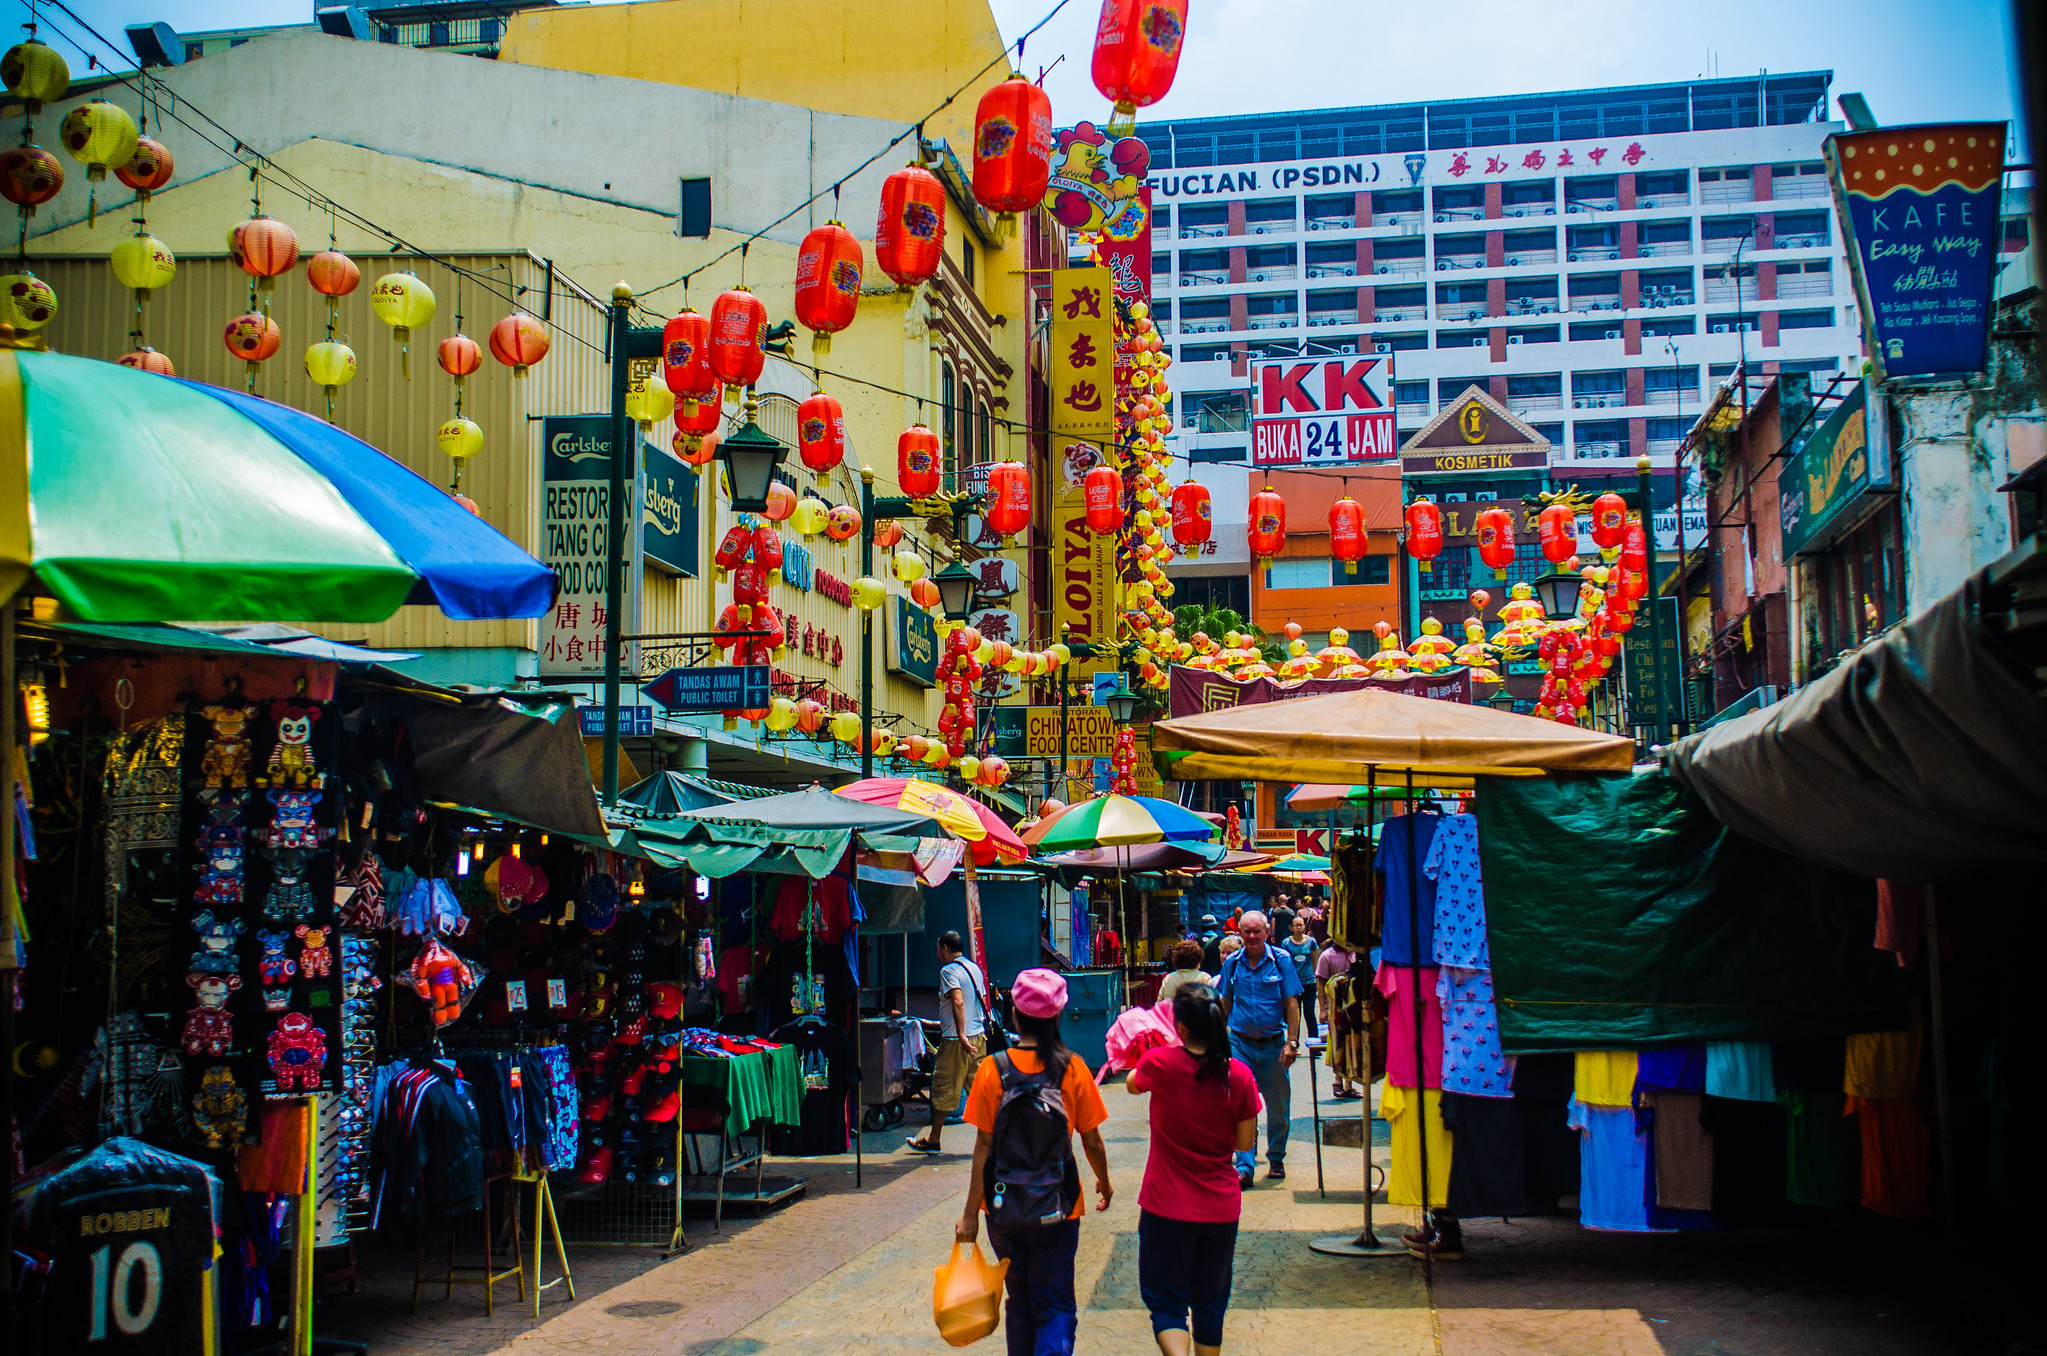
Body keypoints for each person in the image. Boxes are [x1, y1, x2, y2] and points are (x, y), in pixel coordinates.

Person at [957, 969, 1113, 1356]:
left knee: (1020, 1301)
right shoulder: (1074, 1068)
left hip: (1002, 1208)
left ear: (1015, 1014)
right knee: (1056, 1303)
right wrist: (1104, 1183)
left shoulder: (992, 1070)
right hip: (1058, 1207)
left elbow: (983, 1149)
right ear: (1059, 1015)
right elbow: (1092, 1139)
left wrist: (970, 1215)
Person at [1126, 984, 1260, 1356]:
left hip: (1164, 1205)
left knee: (1167, 1304)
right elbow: (1244, 1144)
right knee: (1210, 1302)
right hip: (1220, 1207)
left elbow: (1132, 1084)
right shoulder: (1240, 1075)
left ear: (1181, 1027)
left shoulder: (1160, 1063)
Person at [1214, 910, 1301, 1187]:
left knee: (1278, 1106)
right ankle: (1245, 1166)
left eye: (1257, 932)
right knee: (1241, 1106)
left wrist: (1292, 1043)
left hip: (1274, 1045)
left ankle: (1276, 1157)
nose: (1252, 937)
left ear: (1266, 933)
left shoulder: (1282, 960)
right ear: (1239, 933)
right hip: (1240, 1045)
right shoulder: (1232, 964)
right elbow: (1225, 1004)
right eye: (1246, 932)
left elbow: (1291, 1003)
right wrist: (1216, 1042)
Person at [909, 931, 987, 1154]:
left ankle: (934, 1139)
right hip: (978, 1037)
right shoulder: (974, 968)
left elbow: (958, 1001)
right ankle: (1002, 1140)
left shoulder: (949, 971)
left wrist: (961, 1034)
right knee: (981, 1091)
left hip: (956, 1040)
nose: (937, 954)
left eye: (937, 949)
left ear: (944, 947)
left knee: (942, 1088)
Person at [1316, 941, 1360, 1098]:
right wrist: (1323, 1009)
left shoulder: (1356, 954)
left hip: (1353, 1008)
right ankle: (1338, 1082)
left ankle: (1349, 1085)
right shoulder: (1327, 956)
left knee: (1353, 1045)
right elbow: (1320, 984)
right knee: (1338, 1045)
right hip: (1335, 1010)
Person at [1278, 915, 1318, 1038]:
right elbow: (1284, 964)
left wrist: (1316, 977)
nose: (1299, 928)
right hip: (1294, 984)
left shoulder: (1311, 942)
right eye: (1296, 925)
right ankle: (1294, 1041)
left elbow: (1315, 960)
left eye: (1301, 925)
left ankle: (1314, 1041)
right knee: (1295, 1013)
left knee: (1310, 1012)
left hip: (1309, 982)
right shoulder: (1286, 943)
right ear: (1291, 927)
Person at [1156, 940, 1211, 1005]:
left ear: (1175, 960)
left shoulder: (1168, 978)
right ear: (1198, 960)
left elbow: (1159, 1004)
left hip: (1170, 1014)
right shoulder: (1204, 977)